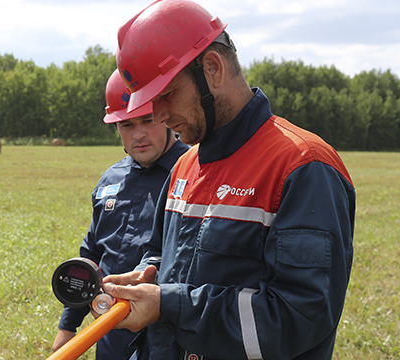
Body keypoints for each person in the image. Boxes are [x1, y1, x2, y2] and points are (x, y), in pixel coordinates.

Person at [102, 1, 356, 359]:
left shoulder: (302, 167)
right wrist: (149, 272)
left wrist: (170, 305)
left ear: (212, 68)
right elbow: (162, 251)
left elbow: (299, 315)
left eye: (166, 95)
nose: (157, 114)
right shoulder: (185, 165)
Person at [52, 69, 190, 359]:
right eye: (126, 124)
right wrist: (68, 326)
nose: (138, 134)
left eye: (147, 120)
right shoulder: (110, 181)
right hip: (109, 331)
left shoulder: (196, 172)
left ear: (165, 115)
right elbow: (90, 256)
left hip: (169, 336)